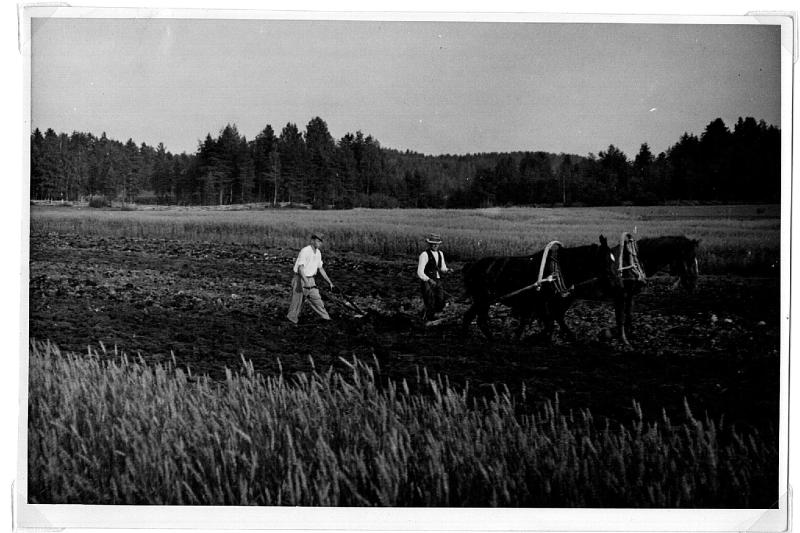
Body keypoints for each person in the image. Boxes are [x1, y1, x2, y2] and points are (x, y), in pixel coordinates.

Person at [286, 233, 334, 325]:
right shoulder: (305, 251)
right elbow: (300, 269)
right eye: (318, 241)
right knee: (297, 301)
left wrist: (330, 282)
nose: (319, 243)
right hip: (300, 278)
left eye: (321, 241)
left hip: (311, 279)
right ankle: (291, 321)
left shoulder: (318, 253)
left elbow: (321, 269)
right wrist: (306, 282)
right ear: (312, 241)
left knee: (317, 299)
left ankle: (327, 319)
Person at [417, 233, 449, 322]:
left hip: (437, 280)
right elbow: (420, 272)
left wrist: (447, 270)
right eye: (433, 244)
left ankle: (436, 317)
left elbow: (442, 267)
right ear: (429, 244)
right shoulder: (424, 255)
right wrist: (428, 280)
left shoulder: (440, 253)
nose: (435, 245)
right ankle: (427, 319)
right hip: (427, 281)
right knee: (429, 300)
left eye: (437, 244)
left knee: (440, 299)